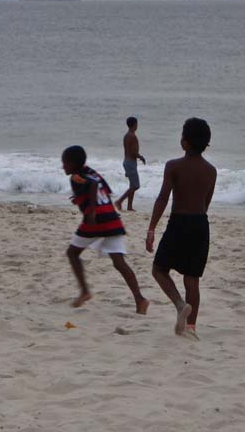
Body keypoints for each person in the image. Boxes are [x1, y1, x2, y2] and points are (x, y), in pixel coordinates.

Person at [145, 118, 217, 337]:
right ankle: (191, 328)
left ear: (185, 142)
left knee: (159, 269)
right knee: (192, 278)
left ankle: (179, 304)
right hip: (200, 224)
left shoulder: (173, 166)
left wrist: (151, 229)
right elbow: (206, 203)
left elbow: (162, 198)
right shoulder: (211, 171)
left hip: (179, 222)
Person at [62, 145, 149, 314]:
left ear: (73, 164)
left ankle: (85, 291)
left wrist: (92, 210)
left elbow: (93, 186)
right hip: (112, 219)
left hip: (96, 220)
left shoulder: (76, 177)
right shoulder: (92, 171)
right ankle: (140, 299)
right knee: (119, 262)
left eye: (65, 163)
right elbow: (102, 189)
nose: (63, 167)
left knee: (72, 253)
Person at [114, 116, 146, 211]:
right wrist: (141, 157)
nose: (137, 125)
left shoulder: (126, 135)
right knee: (136, 186)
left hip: (127, 162)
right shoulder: (133, 136)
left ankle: (129, 206)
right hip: (130, 163)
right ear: (134, 125)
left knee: (132, 185)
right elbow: (133, 152)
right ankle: (119, 201)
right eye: (136, 124)